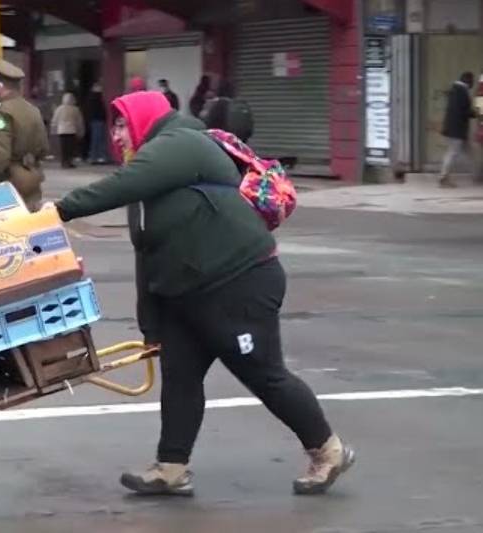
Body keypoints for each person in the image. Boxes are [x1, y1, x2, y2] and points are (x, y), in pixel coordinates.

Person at [49, 91, 356, 498]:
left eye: (122, 125)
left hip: (239, 281)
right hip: (188, 292)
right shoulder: (149, 175)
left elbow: (119, 186)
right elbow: (148, 254)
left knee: (263, 373)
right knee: (180, 377)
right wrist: (151, 325)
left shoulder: (181, 143)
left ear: (143, 120)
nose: (117, 135)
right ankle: (172, 467)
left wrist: (57, 211)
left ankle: (328, 450)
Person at [0, 59, 50, 211]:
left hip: (11, 181)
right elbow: (44, 147)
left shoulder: (2, 113)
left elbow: (1, 154)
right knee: (31, 222)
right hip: (33, 176)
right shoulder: (33, 110)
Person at [440, 71, 478, 188]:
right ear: (467, 80)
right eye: (472, 81)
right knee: (453, 153)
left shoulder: (456, 90)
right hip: (456, 130)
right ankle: (444, 177)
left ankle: (477, 175)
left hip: (456, 128)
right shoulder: (461, 92)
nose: (473, 83)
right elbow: (463, 111)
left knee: (469, 152)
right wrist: (476, 113)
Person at [51, 93, 85, 169]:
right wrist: (81, 130)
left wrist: (53, 129)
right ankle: (69, 162)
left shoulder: (59, 109)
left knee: (63, 147)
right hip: (71, 130)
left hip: (61, 130)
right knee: (70, 148)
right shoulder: (75, 109)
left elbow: (55, 120)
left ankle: (63, 162)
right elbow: (79, 121)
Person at [86, 83, 109, 164]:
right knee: (99, 139)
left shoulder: (92, 98)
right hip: (98, 120)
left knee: (96, 139)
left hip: (95, 121)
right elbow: (101, 110)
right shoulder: (97, 98)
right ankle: (100, 156)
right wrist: (104, 118)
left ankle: (95, 157)